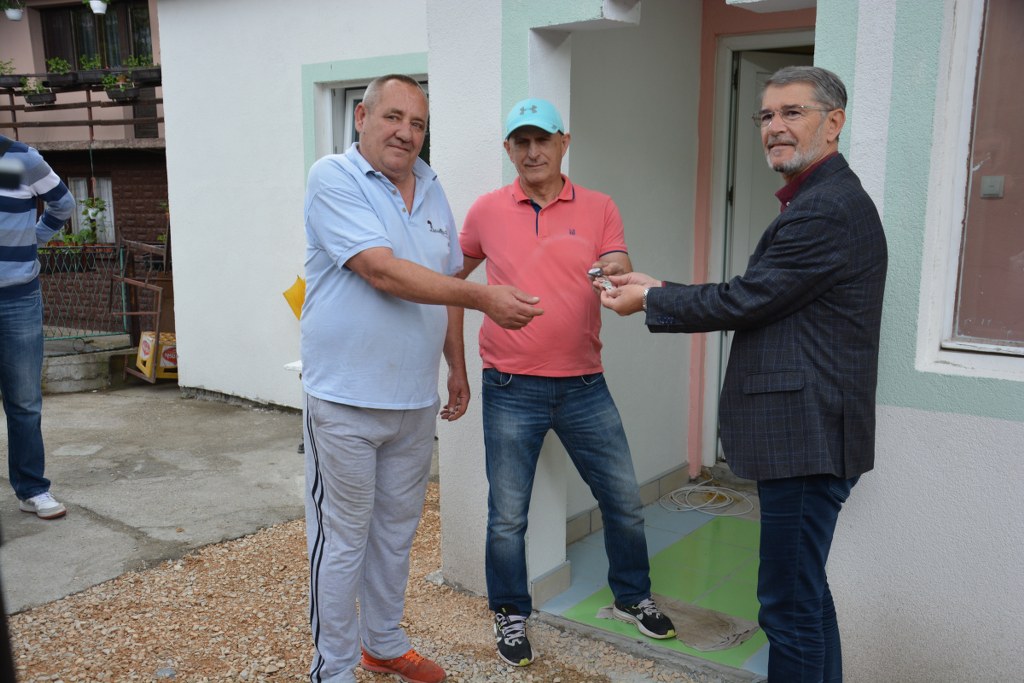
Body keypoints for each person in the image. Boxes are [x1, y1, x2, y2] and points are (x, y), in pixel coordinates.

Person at [601, 66, 887, 682]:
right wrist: (660, 287)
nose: (774, 127)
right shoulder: (823, 200)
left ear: (833, 123)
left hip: (807, 441)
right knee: (804, 596)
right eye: (766, 115)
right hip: (812, 437)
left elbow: (748, 299)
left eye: (792, 112)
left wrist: (650, 300)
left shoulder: (826, 209)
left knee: (788, 606)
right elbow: (766, 294)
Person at [301, 75, 543, 683]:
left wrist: (456, 365)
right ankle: (332, 669)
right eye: (393, 117)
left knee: (394, 534)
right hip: (346, 400)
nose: (405, 133)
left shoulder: (432, 189)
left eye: (417, 124)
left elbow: (446, 283)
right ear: (362, 117)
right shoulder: (334, 177)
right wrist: (486, 298)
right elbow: (381, 272)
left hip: (412, 400)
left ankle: (382, 643)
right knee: (342, 540)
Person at [453, 98, 676, 668]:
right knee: (508, 516)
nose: (533, 152)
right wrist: (456, 363)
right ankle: (510, 611)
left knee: (622, 500)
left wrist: (614, 271)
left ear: (563, 143)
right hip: (509, 387)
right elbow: (453, 283)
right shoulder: (485, 211)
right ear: (509, 150)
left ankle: (632, 596)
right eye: (521, 142)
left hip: (584, 385)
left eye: (543, 140)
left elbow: (617, 259)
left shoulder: (599, 206)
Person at [0, 134, 75, 521]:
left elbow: (63, 203)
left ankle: (31, 489)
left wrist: (36, 237)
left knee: (25, 402)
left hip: (18, 299)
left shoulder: (18, 161)